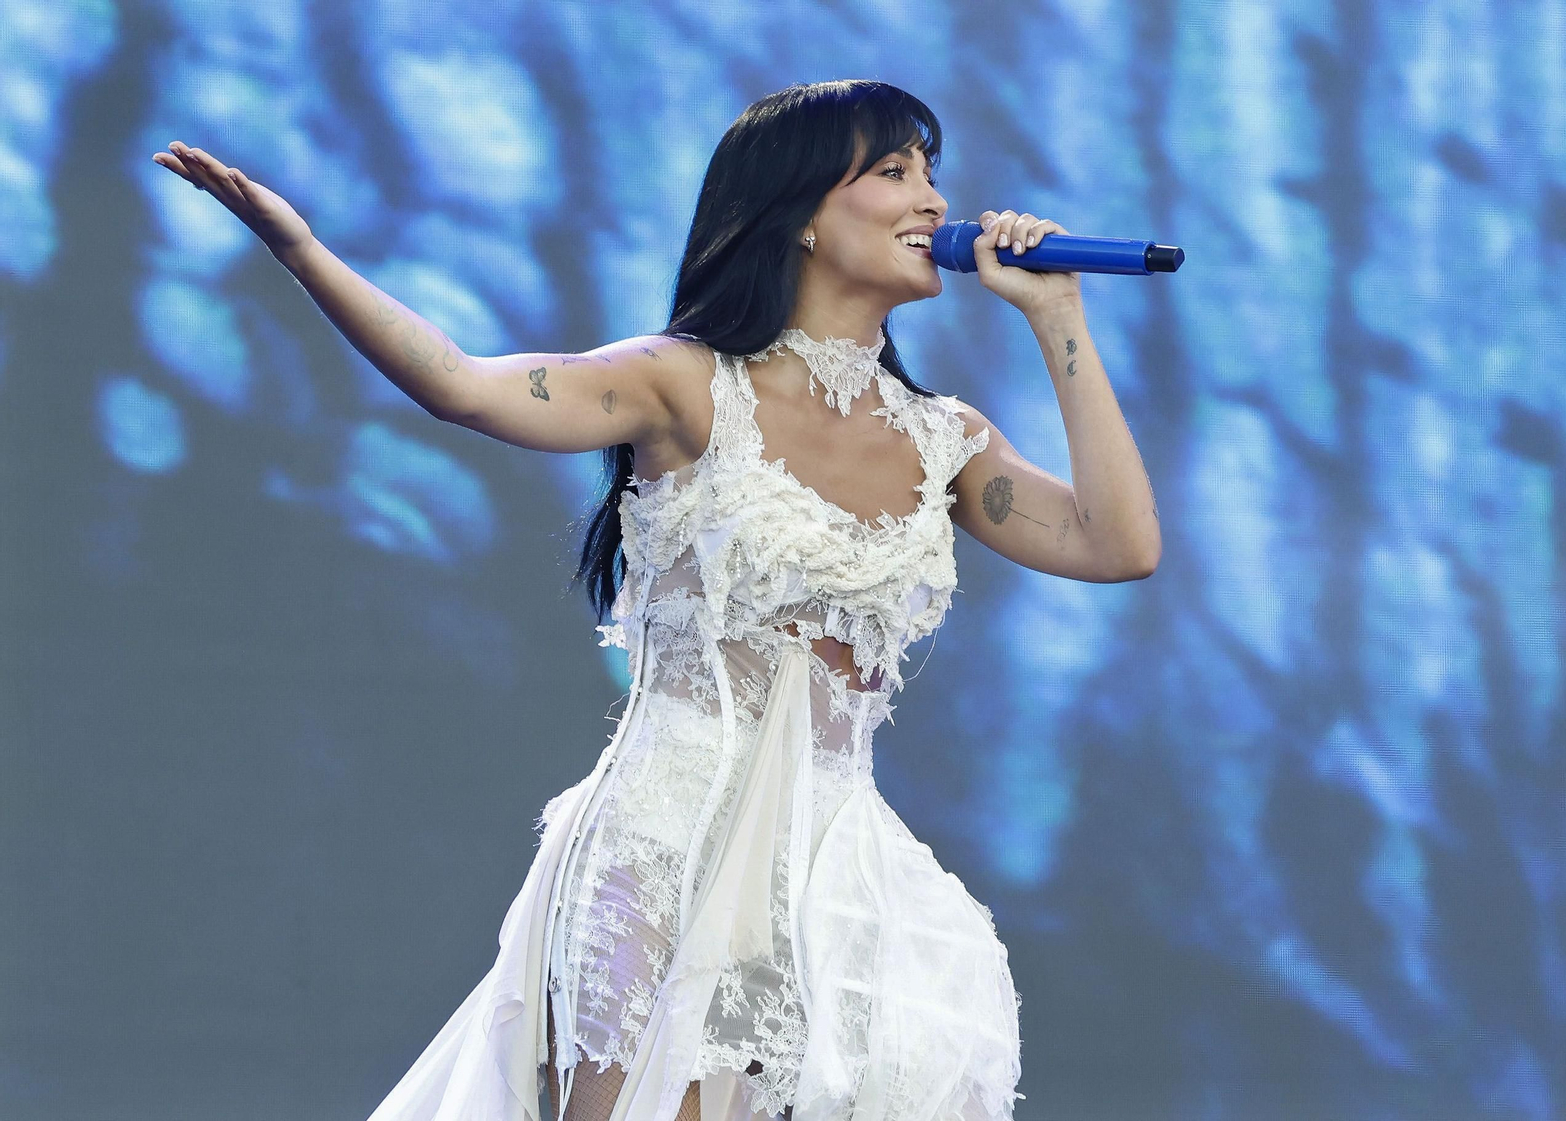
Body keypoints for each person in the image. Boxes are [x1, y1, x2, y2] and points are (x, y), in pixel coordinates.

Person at [154, 78, 1160, 1121]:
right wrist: (303, 252)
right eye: (894, 172)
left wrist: (1057, 315)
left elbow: (1118, 543)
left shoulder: (943, 439)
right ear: (802, 212)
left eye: (931, 174)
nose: (933, 203)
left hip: (838, 869)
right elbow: (463, 384)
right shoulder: (680, 383)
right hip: (666, 845)